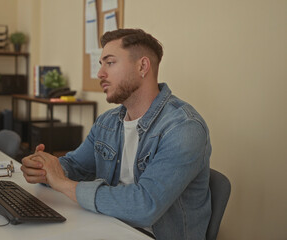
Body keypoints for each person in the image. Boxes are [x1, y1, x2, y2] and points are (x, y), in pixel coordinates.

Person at [21, 28, 212, 240]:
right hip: (109, 226)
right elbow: (75, 166)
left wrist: (62, 183)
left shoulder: (184, 128)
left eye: (110, 63)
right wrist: (45, 169)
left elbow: (144, 206)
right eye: (101, 64)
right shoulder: (108, 122)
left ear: (142, 66)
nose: (100, 73)